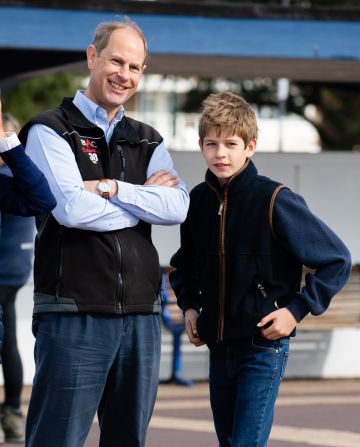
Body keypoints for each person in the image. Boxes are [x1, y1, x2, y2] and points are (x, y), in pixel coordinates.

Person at [19, 17, 189, 447]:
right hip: (74, 314)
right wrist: (140, 203)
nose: (124, 75)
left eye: (135, 67)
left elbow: (177, 206)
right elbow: (72, 209)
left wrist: (112, 190)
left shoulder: (147, 139)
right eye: (116, 61)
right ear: (92, 57)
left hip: (141, 316)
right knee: (56, 440)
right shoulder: (50, 129)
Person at [169, 91, 352, 447]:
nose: (220, 153)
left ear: (250, 146)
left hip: (262, 346)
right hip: (218, 348)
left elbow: (336, 260)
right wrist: (190, 306)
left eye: (231, 144)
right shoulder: (198, 201)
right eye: (211, 144)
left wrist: (296, 310)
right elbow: (184, 265)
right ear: (200, 145)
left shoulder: (275, 199)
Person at [0, 101, 56, 444]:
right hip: (14, 272)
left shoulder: (10, 177)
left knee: (5, 342)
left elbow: (41, 200)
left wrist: (11, 144)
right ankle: (13, 412)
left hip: (9, 272)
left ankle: (12, 412)